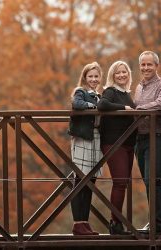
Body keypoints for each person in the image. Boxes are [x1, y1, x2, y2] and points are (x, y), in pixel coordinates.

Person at [134, 51, 161, 234]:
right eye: (143, 64)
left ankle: (159, 225)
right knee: (147, 181)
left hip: (157, 137)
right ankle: (158, 222)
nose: (146, 68)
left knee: (153, 180)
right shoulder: (139, 87)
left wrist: (140, 108)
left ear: (156, 66)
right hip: (140, 139)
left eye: (149, 64)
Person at [97, 61, 136, 235]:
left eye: (124, 72)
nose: (121, 75)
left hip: (128, 143)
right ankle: (115, 224)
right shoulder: (110, 91)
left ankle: (118, 222)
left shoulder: (127, 94)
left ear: (128, 74)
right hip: (113, 143)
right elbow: (102, 105)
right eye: (117, 73)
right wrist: (124, 108)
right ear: (112, 75)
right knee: (119, 182)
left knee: (124, 183)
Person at [68, 62, 103, 235]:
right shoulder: (80, 92)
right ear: (85, 77)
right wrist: (94, 107)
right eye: (90, 76)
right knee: (80, 181)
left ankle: (84, 221)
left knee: (90, 182)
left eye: (96, 76)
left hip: (96, 139)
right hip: (83, 139)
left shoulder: (100, 95)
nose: (94, 79)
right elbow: (77, 104)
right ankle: (77, 223)